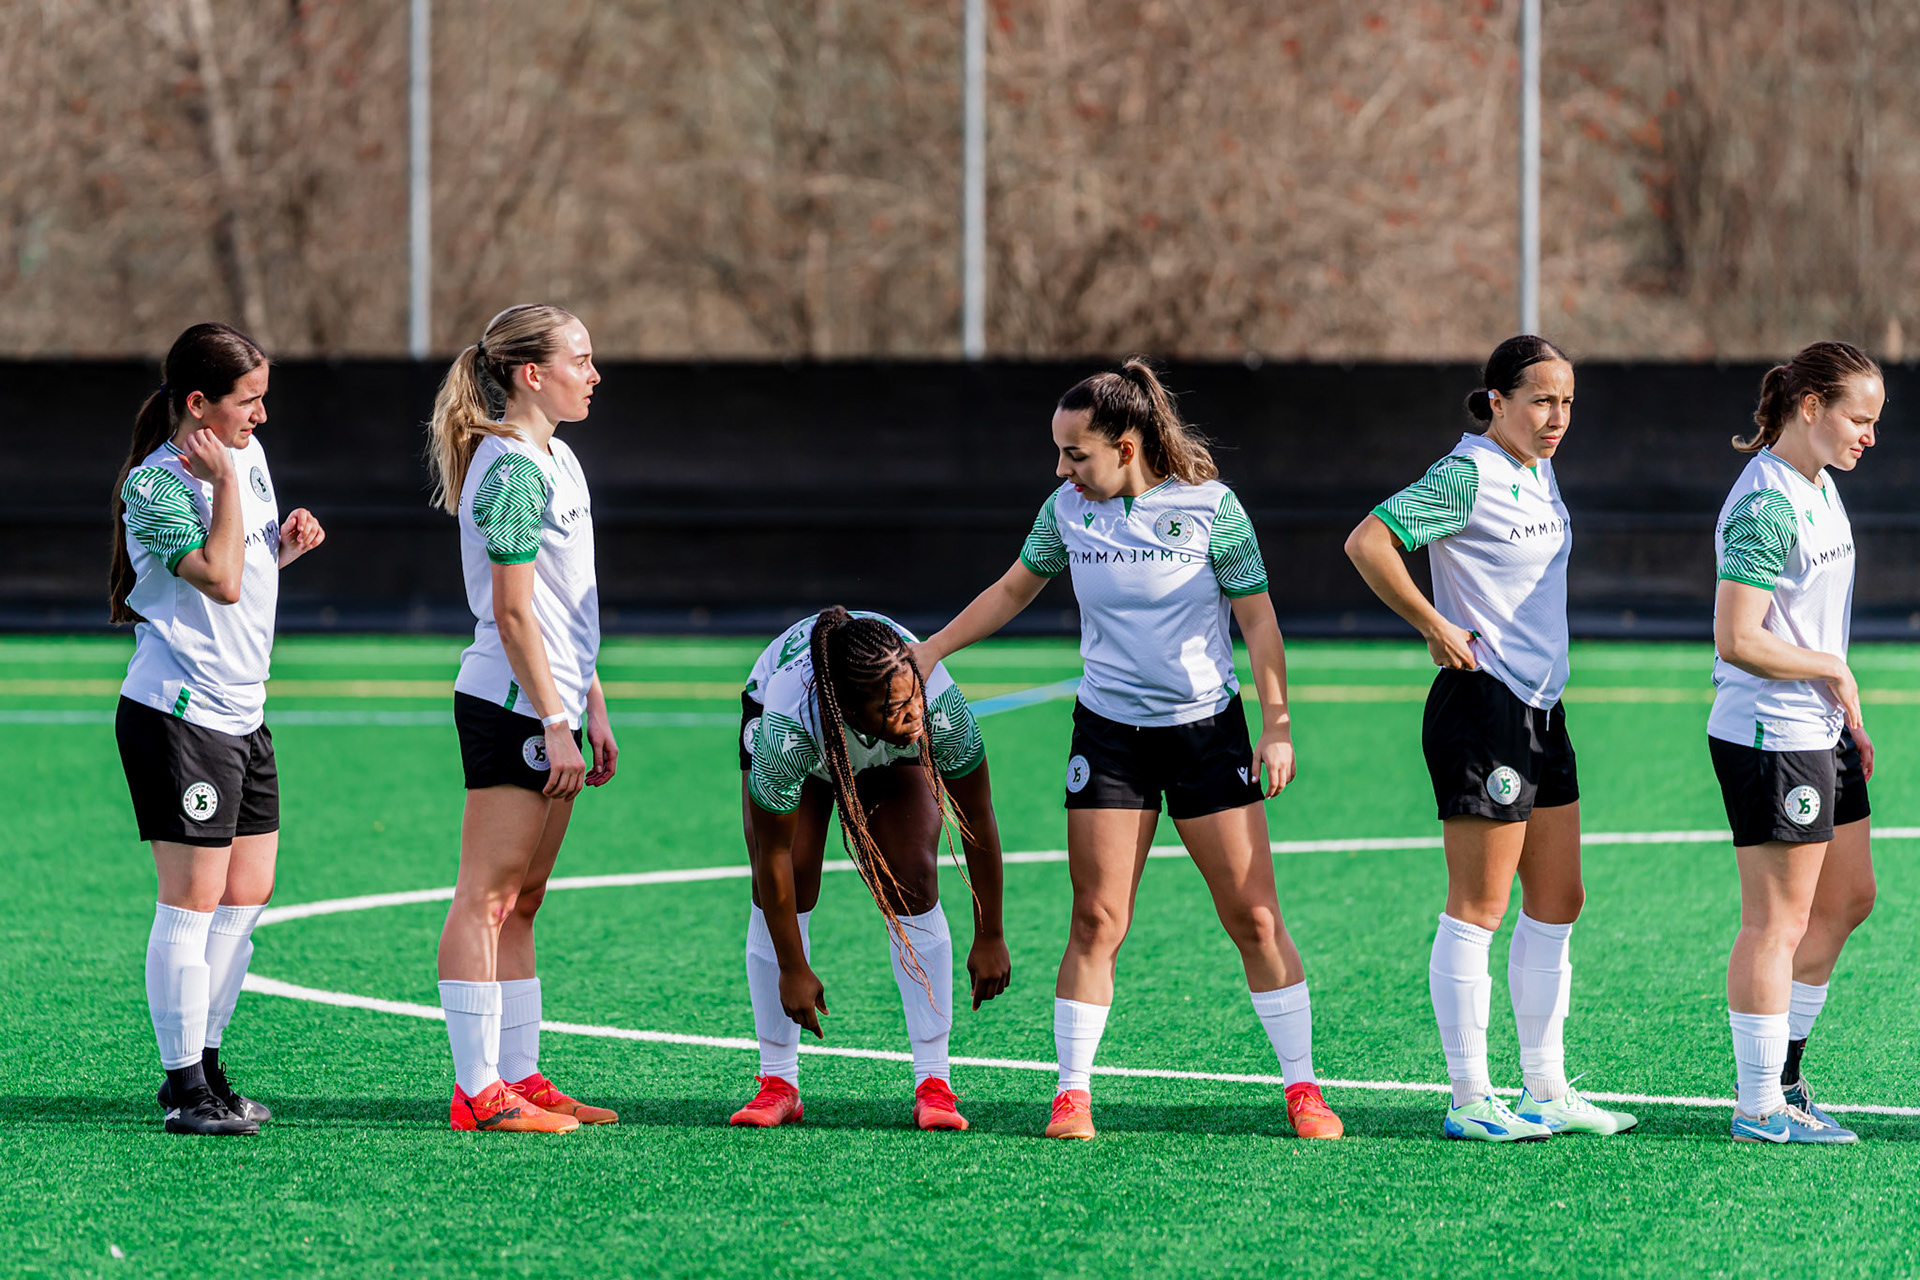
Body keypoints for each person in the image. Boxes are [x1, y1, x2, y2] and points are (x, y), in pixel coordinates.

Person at [914, 358, 1344, 1142]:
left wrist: (1275, 724)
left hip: (1208, 735)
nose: (1062, 468)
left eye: (1076, 453)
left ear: (1126, 443)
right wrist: (931, 651)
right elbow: (1012, 588)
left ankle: (1303, 1088)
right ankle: (1072, 1095)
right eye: (1059, 453)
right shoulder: (1066, 512)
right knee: (1096, 918)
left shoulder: (1212, 509)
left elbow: (1259, 622)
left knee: (1253, 915)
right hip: (1109, 738)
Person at [1345, 335, 1636, 1143]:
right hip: (1484, 704)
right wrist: (1433, 622)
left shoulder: (1536, 468)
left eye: (1567, 402)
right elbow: (1368, 541)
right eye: (1542, 400)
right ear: (1498, 400)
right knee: (1479, 906)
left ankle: (1545, 1088)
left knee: (1559, 899)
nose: (1557, 418)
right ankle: (1470, 1096)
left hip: (1544, 708)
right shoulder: (1466, 471)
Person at [110, 322, 326, 1136]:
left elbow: (246, 567)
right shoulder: (158, 486)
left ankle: (207, 1059)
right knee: (191, 905)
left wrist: (284, 544)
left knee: (247, 894)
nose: (261, 418)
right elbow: (222, 582)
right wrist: (230, 488)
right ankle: (183, 1087)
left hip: (244, 710)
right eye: (249, 401)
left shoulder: (243, 460)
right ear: (198, 405)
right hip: (180, 715)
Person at [427, 304, 619, 1134]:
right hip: (511, 706)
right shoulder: (510, 469)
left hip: (553, 704)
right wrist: (553, 718)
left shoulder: (560, 458)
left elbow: (567, 608)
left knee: (526, 898)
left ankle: (521, 1073)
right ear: (530, 374)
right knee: (488, 897)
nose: (595, 372)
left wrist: (592, 708)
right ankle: (478, 1091)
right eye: (581, 358)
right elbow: (512, 615)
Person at [730, 607, 1011, 1131]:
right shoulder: (787, 728)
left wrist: (990, 932)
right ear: (852, 714)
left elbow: (978, 818)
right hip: (807, 741)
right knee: (795, 871)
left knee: (914, 876)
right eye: (894, 708)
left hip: (877, 741)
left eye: (913, 699)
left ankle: (935, 1082)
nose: (913, 715)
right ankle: (777, 1081)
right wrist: (793, 968)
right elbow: (771, 859)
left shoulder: (934, 707)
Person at [1709, 341, 1882, 1145]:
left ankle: (1786, 1075)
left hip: (1820, 729)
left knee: (1849, 899)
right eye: (1859, 417)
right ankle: (1759, 1107)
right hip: (1771, 733)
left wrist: (1844, 708)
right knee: (1774, 922)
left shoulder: (1817, 484)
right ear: (1809, 406)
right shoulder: (1766, 503)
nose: (1869, 436)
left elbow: (1808, 622)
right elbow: (1738, 636)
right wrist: (1834, 675)